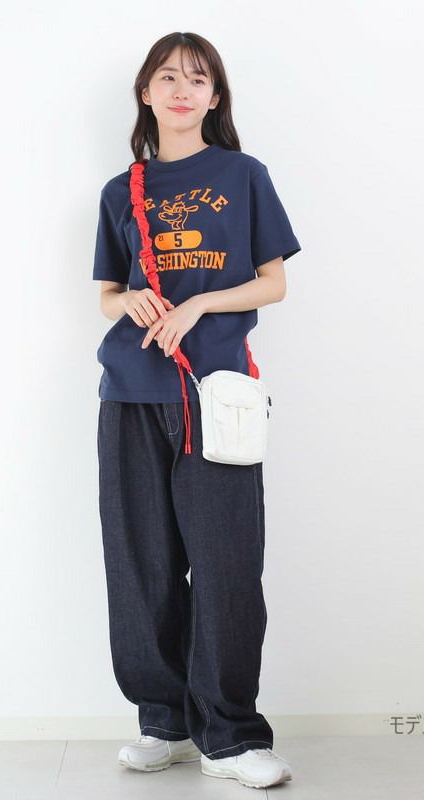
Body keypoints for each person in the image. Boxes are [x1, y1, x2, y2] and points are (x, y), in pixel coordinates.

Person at [92, 31, 301, 790]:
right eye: (168, 78)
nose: (183, 90)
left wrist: (201, 302)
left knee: (226, 566)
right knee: (141, 565)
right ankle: (165, 721)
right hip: (130, 393)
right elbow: (108, 294)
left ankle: (231, 735)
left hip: (217, 395)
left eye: (199, 79)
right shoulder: (122, 191)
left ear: (215, 98)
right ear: (146, 93)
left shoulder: (243, 175)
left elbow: (274, 281)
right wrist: (132, 301)